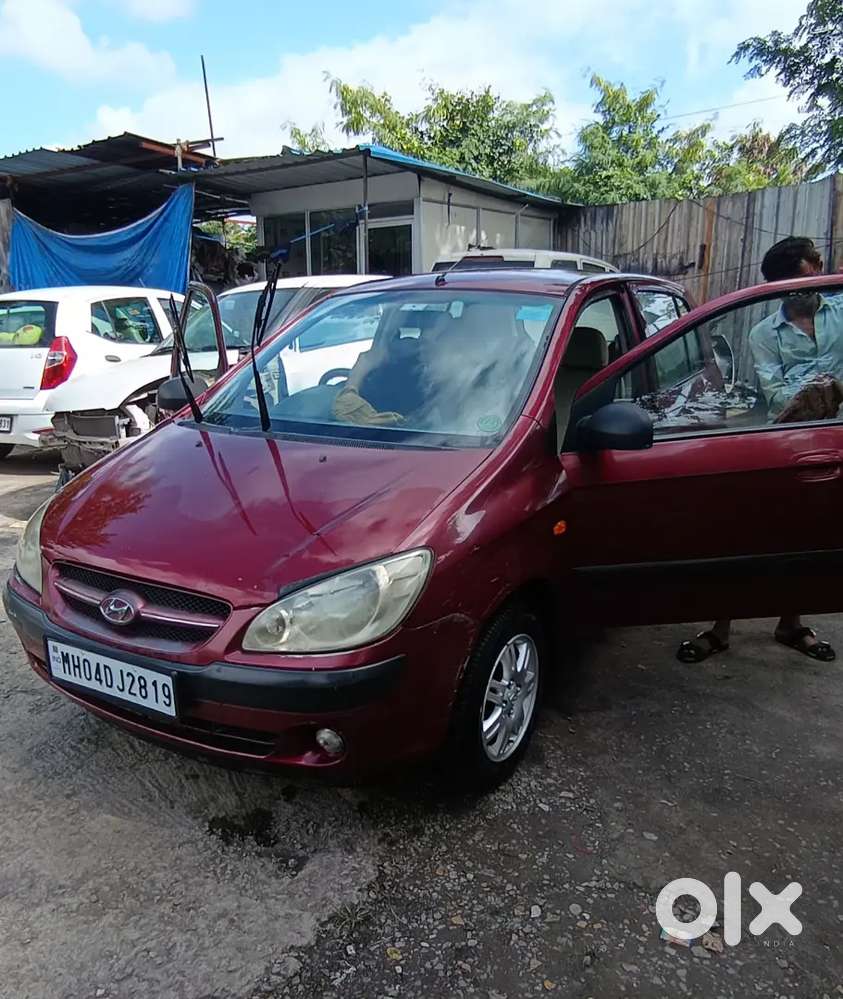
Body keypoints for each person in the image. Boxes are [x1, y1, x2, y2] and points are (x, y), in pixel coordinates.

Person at [677, 236, 843, 664]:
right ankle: (720, 628)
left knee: (807, 542)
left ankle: (791, 624)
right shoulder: (763, 333)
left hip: (835, 444)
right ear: (782, 285)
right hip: (789, 443)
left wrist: (821, 391)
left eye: (819, 271)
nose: (818, 281)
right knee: (747, 535)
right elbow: (778, 396)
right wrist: (828, 388)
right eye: (808, 275)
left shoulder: (841, 310)